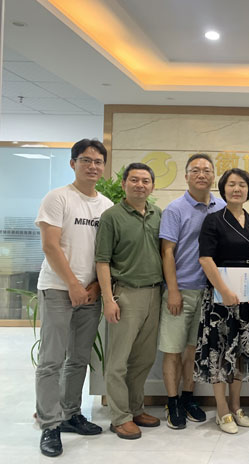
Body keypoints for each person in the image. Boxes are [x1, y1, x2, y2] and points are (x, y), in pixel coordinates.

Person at [34, 139, 113, 457]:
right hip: (57, 289)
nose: (92, 166)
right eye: (86, 160)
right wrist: (73, 285)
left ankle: (70, 414)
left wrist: (94, 287)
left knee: (79, 358)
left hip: (90, 293)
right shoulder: (58, 198)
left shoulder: (106, 205)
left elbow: (106, 253)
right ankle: (49, 424)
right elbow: (50, 245)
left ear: (103, 167)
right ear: (73, 163)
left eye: (98, 161)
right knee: (51, 360)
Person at [195, 168, 249, 434]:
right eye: (231, 184)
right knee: (218, 351)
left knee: (240, 353)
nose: (237, 189)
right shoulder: (213, 220)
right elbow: (205, 259)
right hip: (220, 297)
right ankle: (222, 409)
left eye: (242, 185)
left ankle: (236, 406)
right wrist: (223, 290)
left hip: (248, 297)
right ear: (223, 189)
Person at [95, 163, 163, 440]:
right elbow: (102, 261)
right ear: (124, 184)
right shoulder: (111, 216)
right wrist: (108, 299)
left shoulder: (158, 214)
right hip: (125, 294)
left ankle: (135, 409)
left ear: (152, 186)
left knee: (144, 359)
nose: (140, 185)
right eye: (134, 180)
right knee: (118, 361)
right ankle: (120, 417)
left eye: (145, 181)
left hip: (154, 294)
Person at [158, 153, 225, 429]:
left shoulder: (221, 206)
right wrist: (173, 290)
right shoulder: (175, 209)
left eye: (207, 170)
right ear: (186, 176)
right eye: (195, 170)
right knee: (172, 350)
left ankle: (188, 397)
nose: (201, 174)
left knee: (193, 349)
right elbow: (167, 252)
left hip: (208, 292)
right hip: (181, 290)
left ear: (213, 176)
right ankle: (172, 401)